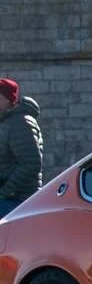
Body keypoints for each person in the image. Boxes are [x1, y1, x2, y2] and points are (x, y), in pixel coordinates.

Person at [0, 78, 43, 217]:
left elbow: (31, 163)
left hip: (18, 200)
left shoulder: (20, 122)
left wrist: (5, 192)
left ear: (7, 99)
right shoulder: (6, 122)